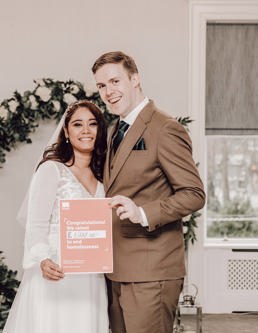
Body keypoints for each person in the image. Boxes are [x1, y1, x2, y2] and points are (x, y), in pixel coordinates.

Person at [92, 51, 206, 333]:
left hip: (151, 272)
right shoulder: (112, 130)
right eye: (101, 86)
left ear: (135, 79)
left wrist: (143, 212)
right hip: (116, 269)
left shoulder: (165, 128)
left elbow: (194, 193)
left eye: (115, 81)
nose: (108, 92)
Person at [3, 100, 109, 333]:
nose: (86, 131)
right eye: (78, 124)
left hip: (91, 274)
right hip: (57, 270)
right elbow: (36, 224)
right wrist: (42, 260)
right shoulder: (51, 170)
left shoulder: (105, 174)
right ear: (66, 131)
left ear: (100, 131)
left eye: (92, 124)